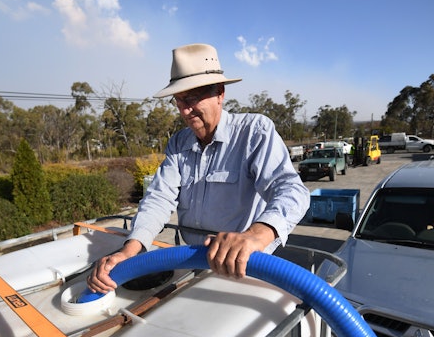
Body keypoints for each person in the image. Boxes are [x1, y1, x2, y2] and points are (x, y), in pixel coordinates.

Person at [88, 43, 309, 293]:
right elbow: (159, 198)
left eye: (192, 98)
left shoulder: (254, 132)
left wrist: (255, 236)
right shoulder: (179, 143)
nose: (185, 110)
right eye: (179, 100)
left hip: (244, 270)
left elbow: (292, 191)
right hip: (191, 265)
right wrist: (132, 249)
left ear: (220, 93)